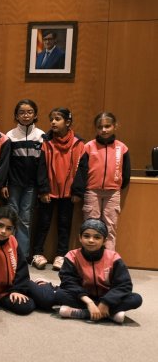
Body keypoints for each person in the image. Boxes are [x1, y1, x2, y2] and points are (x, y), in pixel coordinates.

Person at [56, 219, 142, 324]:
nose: (91, 240)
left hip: (107, 298)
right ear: (80, 238)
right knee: (60, 294)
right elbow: (68, 282)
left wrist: (106, 302)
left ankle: (84, 313)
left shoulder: (114, 257)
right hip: (83, 297)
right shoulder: (72, 256)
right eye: (86, 236)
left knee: (136, 299)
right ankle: (110, 314)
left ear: (104, 240)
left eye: (97, 237)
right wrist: (89, 302)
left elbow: (124, 285)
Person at [0, 206, 56, 315]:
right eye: (0, 225)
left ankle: (42, 284)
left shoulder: (12, 240)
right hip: (0, 292)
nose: (3, 231)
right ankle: (39, 290)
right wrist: (7, 293)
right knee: (27, 306)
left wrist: (17, 289)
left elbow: (21, 267)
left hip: (17, 283)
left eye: (9, 228)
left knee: (49, 300)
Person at [33, 107, 84, 271]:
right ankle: (37, 253)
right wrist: (43, 190)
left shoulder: (78, 143)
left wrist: (77, 191)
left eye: (57, 119)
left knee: (64, 224)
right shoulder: (46, 141)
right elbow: (41, 167)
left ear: (68, 122)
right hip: (48, 192)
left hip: (68, 193)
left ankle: (61, 255)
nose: (53, 122)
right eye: (51, 119)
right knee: (43, 223)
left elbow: (81, 169)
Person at [72, 112, 130, 252]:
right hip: (92, 191)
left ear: (115, 126)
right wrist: (78, 192)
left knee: (110, 227)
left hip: (113, 193)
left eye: (107, 126)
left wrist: (117, 185)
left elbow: (126, 171)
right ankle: (89, 256)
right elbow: (81, 170)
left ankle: (108, 259)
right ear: (96, 128)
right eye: (100, 127)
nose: (104, 130)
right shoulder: (89, 147)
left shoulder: (122, 148)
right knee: (91, 225)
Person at [4, 99, 49, 263]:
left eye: (29, 112)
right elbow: (6, 162)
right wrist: (4, 183)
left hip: (31, 185)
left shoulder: (41, 136)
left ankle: (22, 255)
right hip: (14, 184)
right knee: (12, 217)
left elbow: (43, 165)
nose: (25, 115)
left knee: (25, 219)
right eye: (22, 112)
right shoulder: (10, 135)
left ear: (35, 114)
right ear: (16, 115)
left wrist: (42, 187)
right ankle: (9, 252)